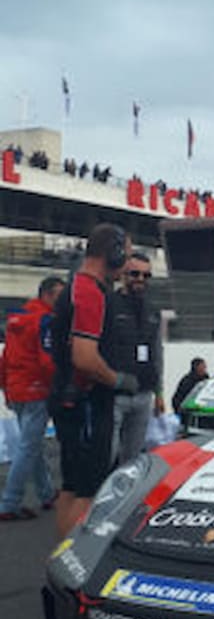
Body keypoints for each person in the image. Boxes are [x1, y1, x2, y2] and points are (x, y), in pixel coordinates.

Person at [48, 223, 137, 537]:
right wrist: (118, 380)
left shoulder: (76, 285)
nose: (127, 264)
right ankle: (73, 567)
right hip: (85, 401)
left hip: (68, 396)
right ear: (111, 254)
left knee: (71, 485)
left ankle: (61, 558)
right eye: (124, 256)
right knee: (87, 489)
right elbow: (84, 358)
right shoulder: (90, 292)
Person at [0, 276, 65, 520]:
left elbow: (5, 358)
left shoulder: (17, 320)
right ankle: (9, 503)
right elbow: (47, 361)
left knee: (32, 446)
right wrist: (57, 387)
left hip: (17, 389)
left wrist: (6, 388)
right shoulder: (46, 320)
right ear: (47, 295)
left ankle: (46, 493)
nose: (63, 300)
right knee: (28, 448)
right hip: (37, 390)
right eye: (59, 295)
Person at [107, 251, 164, 465]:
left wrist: (159, 393)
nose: (140, 279)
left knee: (132, 461)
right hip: (114, 395)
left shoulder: (152, 311)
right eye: (135, 274)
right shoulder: (109, 304)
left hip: (143, 394)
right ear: (123, 274)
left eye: (146, 275)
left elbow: (157, 353)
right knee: (106, 456)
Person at [172, 357, 209, 428]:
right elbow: (178, 398)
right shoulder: (187, 381)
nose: (205, 369)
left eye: (205, 367)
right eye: (203, 367)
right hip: (185, 409)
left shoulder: (206, 378)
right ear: (196, 367)